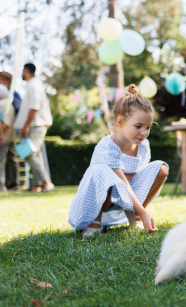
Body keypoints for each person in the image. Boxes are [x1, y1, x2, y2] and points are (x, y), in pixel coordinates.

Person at [68, 84, 169, 238]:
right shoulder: (107, 146)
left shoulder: (143, 146)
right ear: (120, 122)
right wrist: (145, 213)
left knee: (161, 168)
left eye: (148, 127)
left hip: (125, 195)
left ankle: (134, 215)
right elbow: (120, 181)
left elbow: (137, 177)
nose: (144, 132)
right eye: (138, 126)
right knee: (102, 170)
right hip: (105, 198)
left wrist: (139, 209)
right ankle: (95, 221)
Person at [13, 63, 54, 192]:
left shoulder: (34, 85)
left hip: (36, 124)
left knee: (30, 154)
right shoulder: (32, 84)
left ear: (26, 71)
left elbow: (34, 107)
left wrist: (25, 126)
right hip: (35, 124)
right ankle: (36, 186)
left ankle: (47, 183)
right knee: (35, 154)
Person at [0, 71, 21, 191]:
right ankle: (10, 184)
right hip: (8, 133)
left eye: (2, 80)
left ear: (8, 82)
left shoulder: (13, 96)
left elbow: (5, 121)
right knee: (8, 159)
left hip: (9, 133)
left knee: (9, 158)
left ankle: (11, 184)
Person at [0, 84, 16, 192]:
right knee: (10, 161)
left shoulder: (1, 104)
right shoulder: (10, 104)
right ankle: (13, 185)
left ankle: (2, 186)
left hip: (3, 137)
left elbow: (4, 123)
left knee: (1, 162)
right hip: (10, 137)